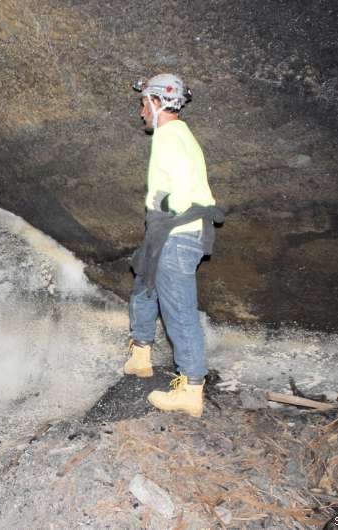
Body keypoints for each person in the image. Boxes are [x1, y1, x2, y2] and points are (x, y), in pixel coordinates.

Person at [124, 73, 224, 418]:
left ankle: (192, 389)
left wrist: (167, 208)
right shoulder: (177, 135)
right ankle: (140, 357)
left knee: (179, 311)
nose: (140, 112)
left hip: (176, 234)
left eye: (142, 103)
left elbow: (182, 191)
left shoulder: (170, 137)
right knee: (144, 284)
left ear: (156, 102)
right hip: (167, 235)